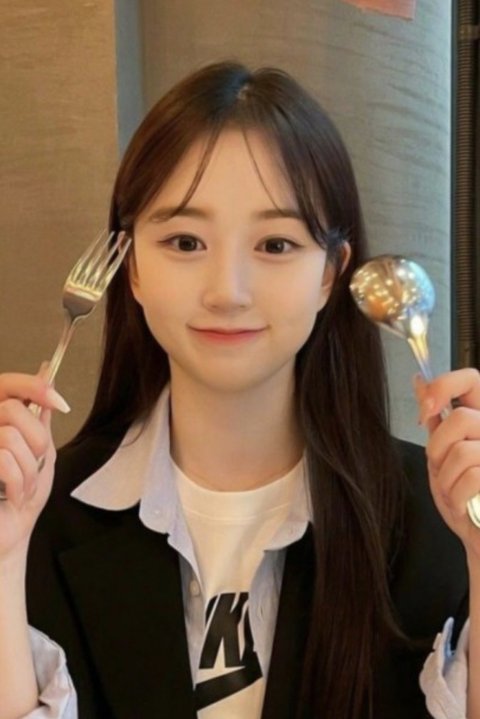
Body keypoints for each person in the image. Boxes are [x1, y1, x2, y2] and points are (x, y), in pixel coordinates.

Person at [0, 61, 477, 719]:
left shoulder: (435, 518)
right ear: (130, 266)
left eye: (275, 244)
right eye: (185, 241)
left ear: (330, 274)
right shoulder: (37, 516)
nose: (227, 290)